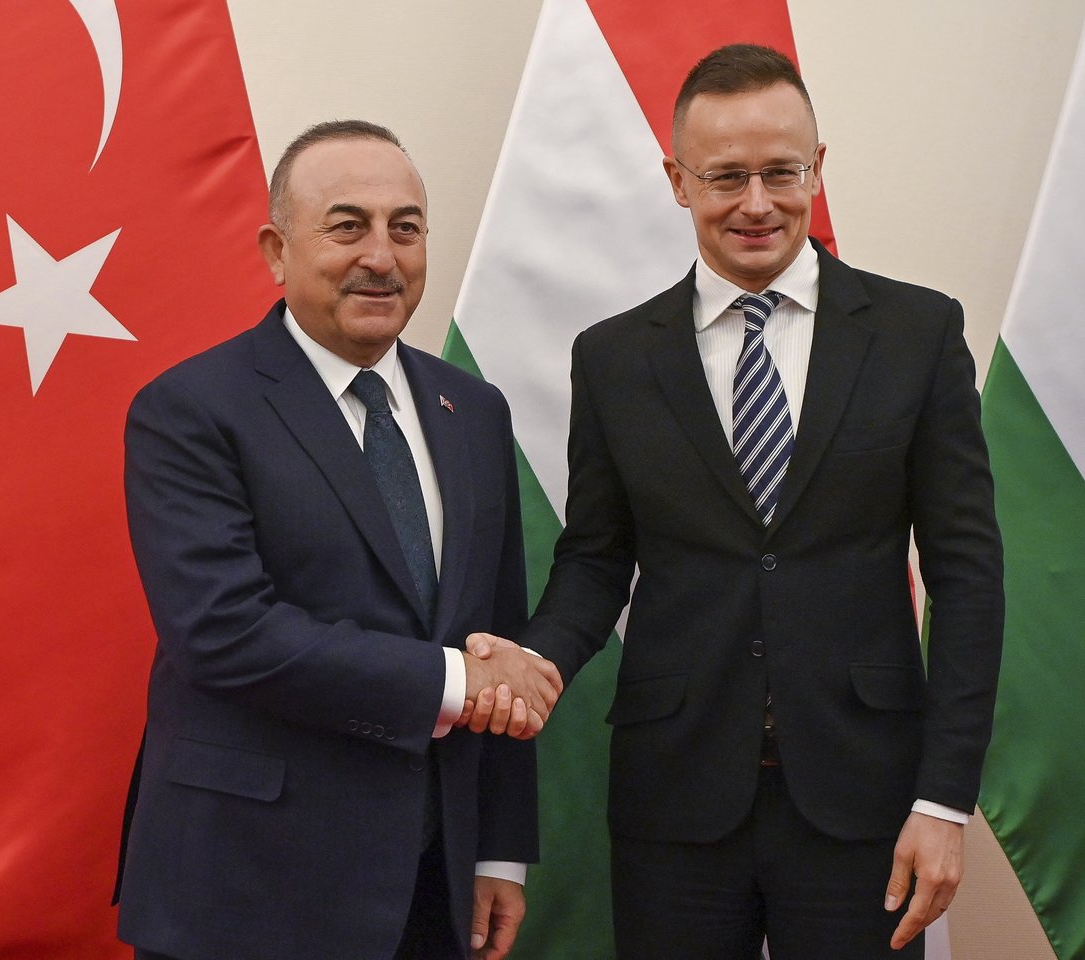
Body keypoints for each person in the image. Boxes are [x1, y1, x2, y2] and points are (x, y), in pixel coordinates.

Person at [469, 44, 1004, 959]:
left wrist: (944, 798)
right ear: (677, 181)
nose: (757, 203)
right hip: (674, 802)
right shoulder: (613, 358)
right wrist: (533, 657)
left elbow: (968, 577)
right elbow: (597, 558)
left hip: (864, 801)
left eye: (781, 172)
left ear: (818, 168)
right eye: (725, 177)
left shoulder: (918, 333)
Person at [115, 119, 562, 960]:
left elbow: (495, 631)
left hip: (430, 885)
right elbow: (223, 632)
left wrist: (497, 851)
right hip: (245, 888)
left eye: (405, 228)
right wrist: (454, 680)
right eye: (348, 226)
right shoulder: (190, 410)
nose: (381, 257)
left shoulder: (472, 410)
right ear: (276, 252)